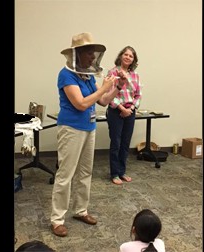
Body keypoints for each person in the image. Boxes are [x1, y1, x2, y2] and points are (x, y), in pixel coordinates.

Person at [50, 32, 128, 237]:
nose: (93, 58)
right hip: (71, 128)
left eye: (94, 54)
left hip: (88, 128)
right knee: (65, 174)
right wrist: (103, 87)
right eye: (89, 54)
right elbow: (81, 103)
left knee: (85, 172)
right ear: (77, 54)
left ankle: (80, 210)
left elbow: (102, 101)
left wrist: (117, 86)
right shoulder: (66, 75)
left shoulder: (87, 75)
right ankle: (57, 220)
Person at [105, 46, 142, 185]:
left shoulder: (135, 75)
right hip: (116, 111)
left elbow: (138, 95)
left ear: (134, 60)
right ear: (121, 56)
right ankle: (114, 173)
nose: (128, 57)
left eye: (131, 56)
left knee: (125, 143)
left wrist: (131, 108)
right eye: (125, 54)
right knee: (116, 143)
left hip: (130, 111)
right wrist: (121, 108)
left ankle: (122, 171)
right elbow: (108, 93)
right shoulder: (112, 73)